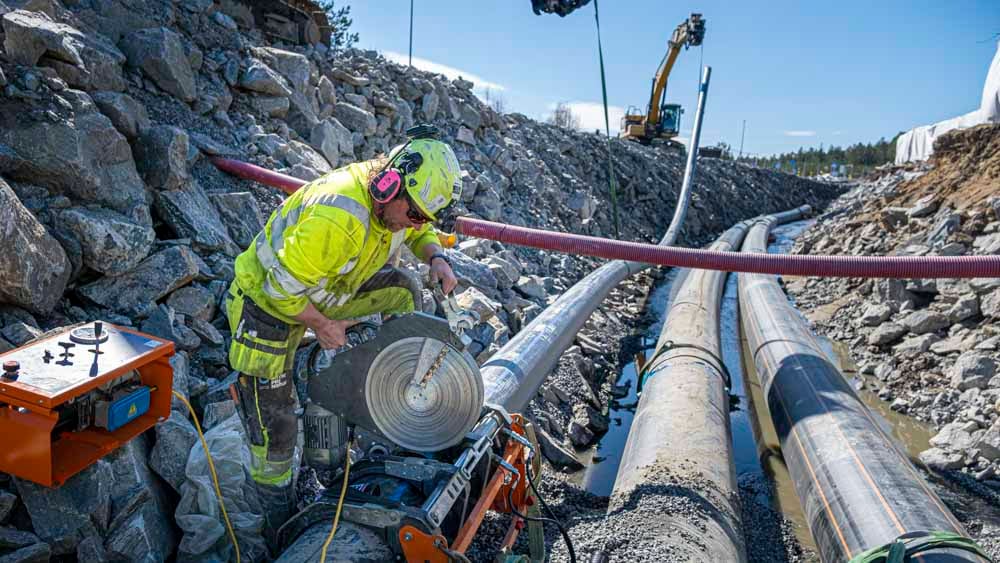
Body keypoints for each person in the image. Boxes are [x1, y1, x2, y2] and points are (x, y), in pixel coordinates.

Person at [225, 126, 462, 539]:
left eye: (423, 217)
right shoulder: (338, 215)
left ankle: (392, 397)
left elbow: (419, 229)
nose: (416, 223)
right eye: (414, 214)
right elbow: (278, 287)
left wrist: (435, 256)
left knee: (403, 291)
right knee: (276, 428)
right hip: (265, 306)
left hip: (325, 286)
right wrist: (322, 326)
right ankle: (276, 521)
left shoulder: (398, 201)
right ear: (390, 188)